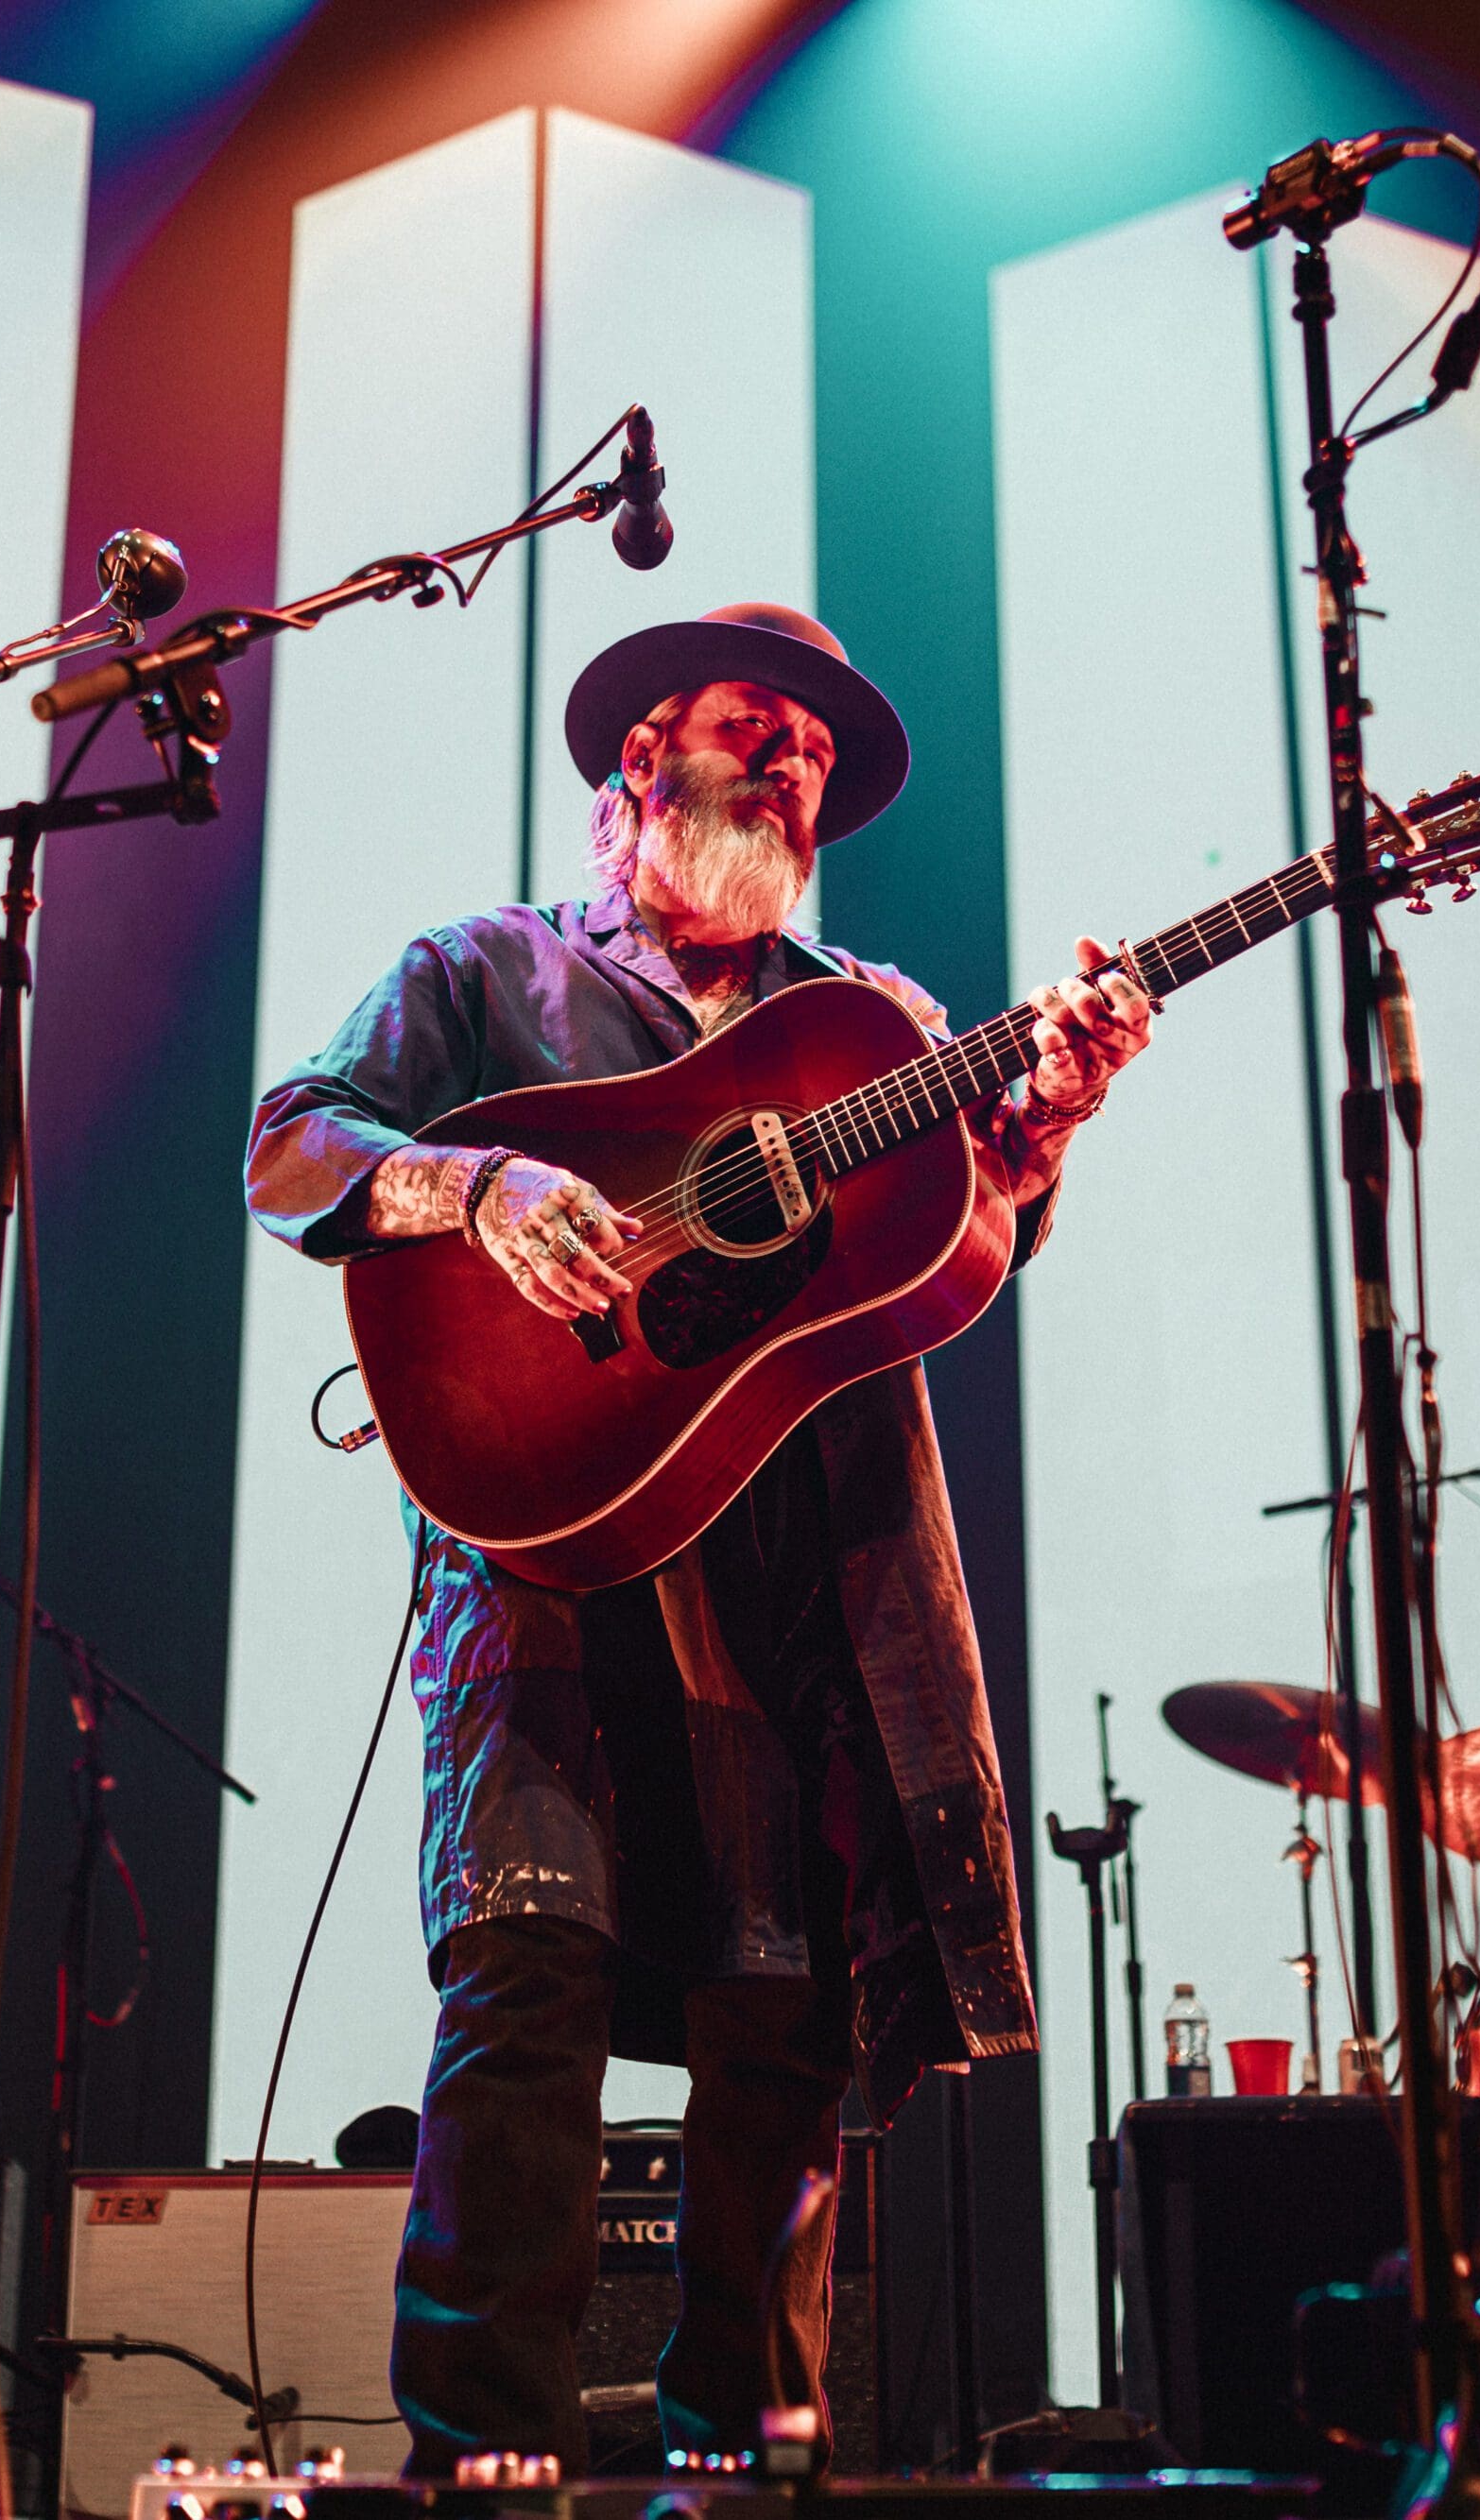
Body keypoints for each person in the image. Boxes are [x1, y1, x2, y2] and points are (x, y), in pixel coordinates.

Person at [248, 602, 1153, 2472]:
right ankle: (478, 2467)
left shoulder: (877, 1024)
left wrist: (1040, 1137)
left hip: (796, 1588)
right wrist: (472, 1180)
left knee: (785, 2027)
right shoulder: (485, 970)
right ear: (638, 758)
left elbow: (945, 1249)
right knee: (525, 1974)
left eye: (816, 747)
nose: (794, 761)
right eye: (759, 723)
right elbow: (289, 1144)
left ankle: (743, 2466)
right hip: (550, 1560)